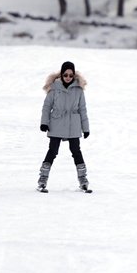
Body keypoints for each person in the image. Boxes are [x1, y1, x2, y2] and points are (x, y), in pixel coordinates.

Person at [37, 61, 91, 193]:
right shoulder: (54, 88)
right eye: (65, 74)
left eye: (71, 75)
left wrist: (86, 128)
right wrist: (44, 122)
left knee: (76, 151)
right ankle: (42, 179)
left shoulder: (78, 90)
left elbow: (83, 110)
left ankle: (83, 180)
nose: (68, 77)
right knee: (53, 151)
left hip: (73, 125)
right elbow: (47, 107)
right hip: (57, 123)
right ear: (61, 75)